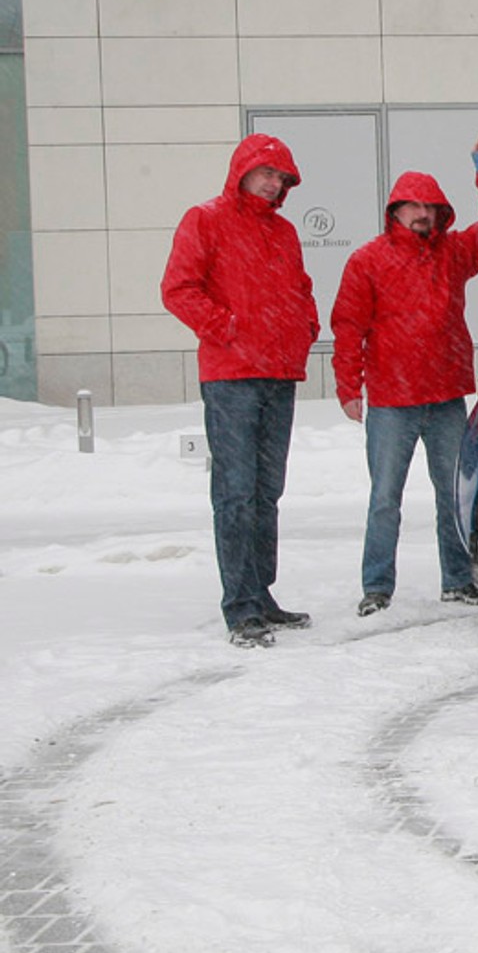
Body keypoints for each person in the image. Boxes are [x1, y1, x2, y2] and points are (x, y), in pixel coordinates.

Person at [332, 132, 478, 618]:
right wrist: (349, 387)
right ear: (394, 211)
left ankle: (457, 579)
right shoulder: (367, 260)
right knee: (385, 497)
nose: (423, 214)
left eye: (430, 207)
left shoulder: (453, 253)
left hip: (446, 398)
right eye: (413, 207)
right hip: (391, 400)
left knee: (452, 495)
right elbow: (348, 327)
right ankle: (376, 587)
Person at [161, 133, 322, 648]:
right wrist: (227, 326)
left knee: (267, 492)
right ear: (243, 171)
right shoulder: (205, 219)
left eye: (282, 178)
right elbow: (178, 289)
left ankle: (261, 593)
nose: (274, 184)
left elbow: (300, 290)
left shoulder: (284, 232)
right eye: (267, 174)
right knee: (235, 493)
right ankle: (240, 605)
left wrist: (304, 327)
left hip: (278, 374)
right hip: (230, 376)